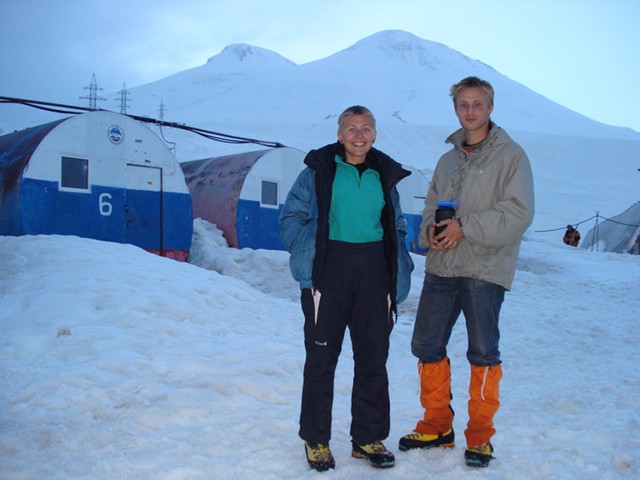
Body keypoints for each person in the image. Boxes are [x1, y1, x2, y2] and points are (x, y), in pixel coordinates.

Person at [398, 77, 535, 468]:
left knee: (482, 350)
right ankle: (437, 424)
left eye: (477, 104)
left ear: (490, 107)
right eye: (463, 105)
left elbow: (519, 212)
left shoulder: (511, 156)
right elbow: (431, 204)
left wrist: (466, 227)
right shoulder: (448, 159)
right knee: (425, 344)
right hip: (443, 266)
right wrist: (431, 231)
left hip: (484, 266)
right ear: (455, 109)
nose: (470, 111)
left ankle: (480, 437)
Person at [279, 105, 414, 471]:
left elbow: (397, 224)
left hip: (374, 272)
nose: (359, 135)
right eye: (351, 128)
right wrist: (305, 247)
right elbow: (291, 216)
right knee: (322, 359)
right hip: (329, 270)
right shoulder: (319, 171)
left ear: (374, 134)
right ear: (339, 134)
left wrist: (395, 255)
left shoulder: (382, 174)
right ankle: (316, 440)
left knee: (373, 360)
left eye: (366, 128)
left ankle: (368, 438)